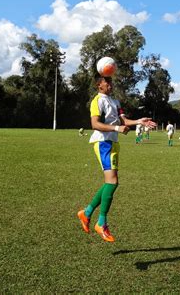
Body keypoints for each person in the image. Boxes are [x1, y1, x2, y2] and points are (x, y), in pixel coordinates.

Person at [77, 76, 157, 242]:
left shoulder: (115, 101)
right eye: (107, 82)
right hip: (103, 143)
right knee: (113, 182)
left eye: (111, 81)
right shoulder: (97, 101)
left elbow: (124, 121)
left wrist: (139, 122)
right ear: (99, 85)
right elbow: (95, 124)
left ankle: (86, 213)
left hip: (113, 143)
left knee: (110, 182)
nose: (111, 84)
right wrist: (117, 128)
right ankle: (101, 222)